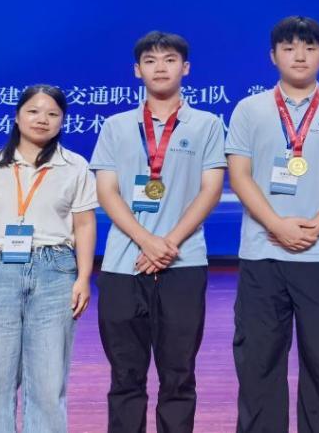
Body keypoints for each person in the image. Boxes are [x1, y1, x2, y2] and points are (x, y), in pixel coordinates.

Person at [225, 15, 319, 433]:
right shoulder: (250, 109)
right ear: (273, 56)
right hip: (263, 253)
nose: (299, 56)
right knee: (258, 363)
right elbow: (240, 176)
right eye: (289, 48)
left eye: (309, 47)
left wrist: (316, 226)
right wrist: (276, 225)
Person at [90, 31, 227, 433]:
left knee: (178, 375)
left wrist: (168, 243)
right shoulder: (116, 126)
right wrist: (147, 241)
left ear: (186, 68)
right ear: (137, 71)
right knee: (125, 375)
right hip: (123, 264)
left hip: (183, 263)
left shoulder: (207, 124)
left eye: (170, 60)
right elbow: (107, 191)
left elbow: (210, 190)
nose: (160, 67)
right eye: (150, 61)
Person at [0, 84, 98, 433]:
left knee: (48, 381)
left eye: (52, 113)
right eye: (33, 111)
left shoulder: (75, 166)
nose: (42, 119)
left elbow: (84, 224)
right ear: (17, 117)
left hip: (56, 271)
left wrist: (83, 277)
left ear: (62, 121)